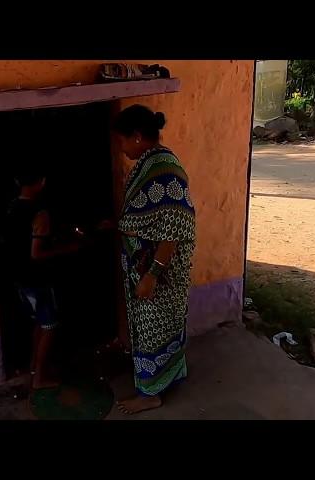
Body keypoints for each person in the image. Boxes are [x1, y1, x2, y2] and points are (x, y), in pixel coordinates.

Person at [112, 104, 196, 414]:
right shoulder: (149, 163)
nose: (121, 148)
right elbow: (147, 215)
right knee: (161, 326)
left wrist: (152, 275)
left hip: (159, 270)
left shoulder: (163, 171)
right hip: (145, 266)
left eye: (122, 141)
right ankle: (170, 374)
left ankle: (151, 393)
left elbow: (172, 228)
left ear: (136, 137)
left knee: (153, 328)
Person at [4, 166, 82, 390]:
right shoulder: (40, 213)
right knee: (49, 326)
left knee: (39, 323)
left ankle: (35, 368)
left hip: (19, 277)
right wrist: (69, 248)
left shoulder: (12, 207)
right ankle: (39, 379)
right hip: (37, 278)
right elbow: (36, 253)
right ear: (42, 182)